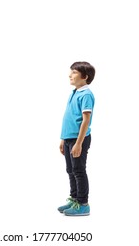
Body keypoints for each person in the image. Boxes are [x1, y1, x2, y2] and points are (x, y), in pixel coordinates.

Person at [58, 61, 95, 216]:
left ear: (85, 77)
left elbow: (85, 120)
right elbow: (68, 118)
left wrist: (79, 143)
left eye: (74, 72)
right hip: (68, 138)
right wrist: (62, 139)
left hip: (78, 139)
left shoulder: (86, 94)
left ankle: (83, 203)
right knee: (70, 170)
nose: (70, 75)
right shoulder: (75, 92)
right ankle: (74, 199)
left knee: (79, 170)